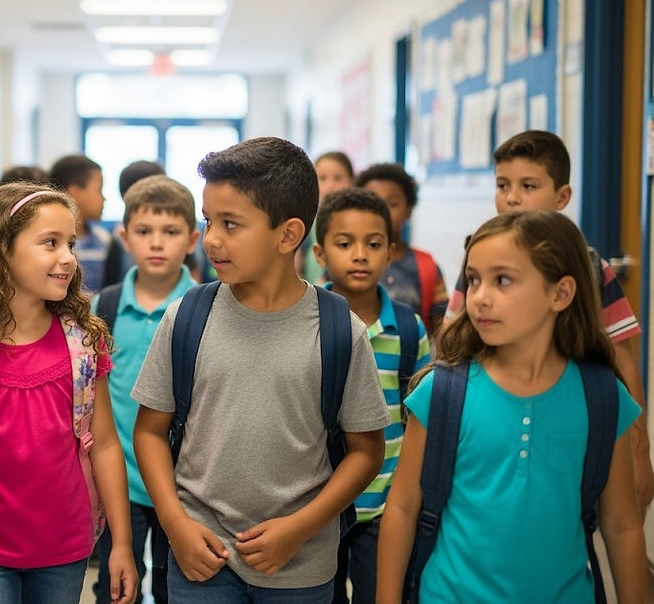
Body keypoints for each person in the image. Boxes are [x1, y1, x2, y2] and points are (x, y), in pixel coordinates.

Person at [132, 137, 389, 602]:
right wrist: (175, 524)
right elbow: (150, 431)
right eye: (209, 221)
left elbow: (366, 452)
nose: (211, 239)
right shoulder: (187, 316)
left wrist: (301, 527)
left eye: (231, 224)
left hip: (300, 565)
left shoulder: (337, 329)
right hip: (202, 558)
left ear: (288, 235)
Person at [377, 210, 646, 603]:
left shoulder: (601, 397)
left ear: (560, 294)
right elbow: (402, 507)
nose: (480, 297)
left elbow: (622, 526)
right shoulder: (444, 392)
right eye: (473, 279)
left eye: (503, 280)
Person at [0, 182, 138, 604]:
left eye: (70, 243)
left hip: (64, 546)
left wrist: (122, 545)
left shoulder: (83, 342)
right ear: (0, 250)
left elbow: (105, 444)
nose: (68, 258)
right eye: (50, 243)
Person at [443, 130, 653, 507]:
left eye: (528, 185)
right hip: (492, 419)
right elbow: (451, 343)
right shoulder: (479, 260)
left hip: (567, 422)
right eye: (502, 185)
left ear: (562, 197)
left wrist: (639, 452)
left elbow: (623, 358)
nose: (512, 197)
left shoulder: (590, 268)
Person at [311, 188, 430, 604]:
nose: (360, 254)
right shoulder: (306, 321)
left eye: (374, 244)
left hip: (385, 504)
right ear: (320, 254)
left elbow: (421, 418)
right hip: (317, 506)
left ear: (391, 252)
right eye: (345, 244)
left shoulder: (409, 328)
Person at [92, 175, 201, 604]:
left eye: (171, 232)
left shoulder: (203, 305)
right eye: (144, 232)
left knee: (179, 589)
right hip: (118, 484)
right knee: (117, 589)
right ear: (124, 237)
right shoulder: (105, 307)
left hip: (184, 485)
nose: (157, 243)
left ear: (192, 239)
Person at [355, 163, 447, 335]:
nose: (381, 211)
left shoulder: (427, 267)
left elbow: (442, 335)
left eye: (392, 203)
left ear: (409, 210)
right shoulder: (344, 262)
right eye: (372, 202)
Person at [50, 154, 123, 293]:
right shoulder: (47, 243)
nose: (104, 198)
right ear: (75, 193)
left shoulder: (105, 241)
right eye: (99, 190)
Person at [300, 151, 356, 283]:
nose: (330, 186)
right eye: (323, 178)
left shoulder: (358, 222)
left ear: (352, 181)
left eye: (338, 178)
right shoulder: (307, 222)